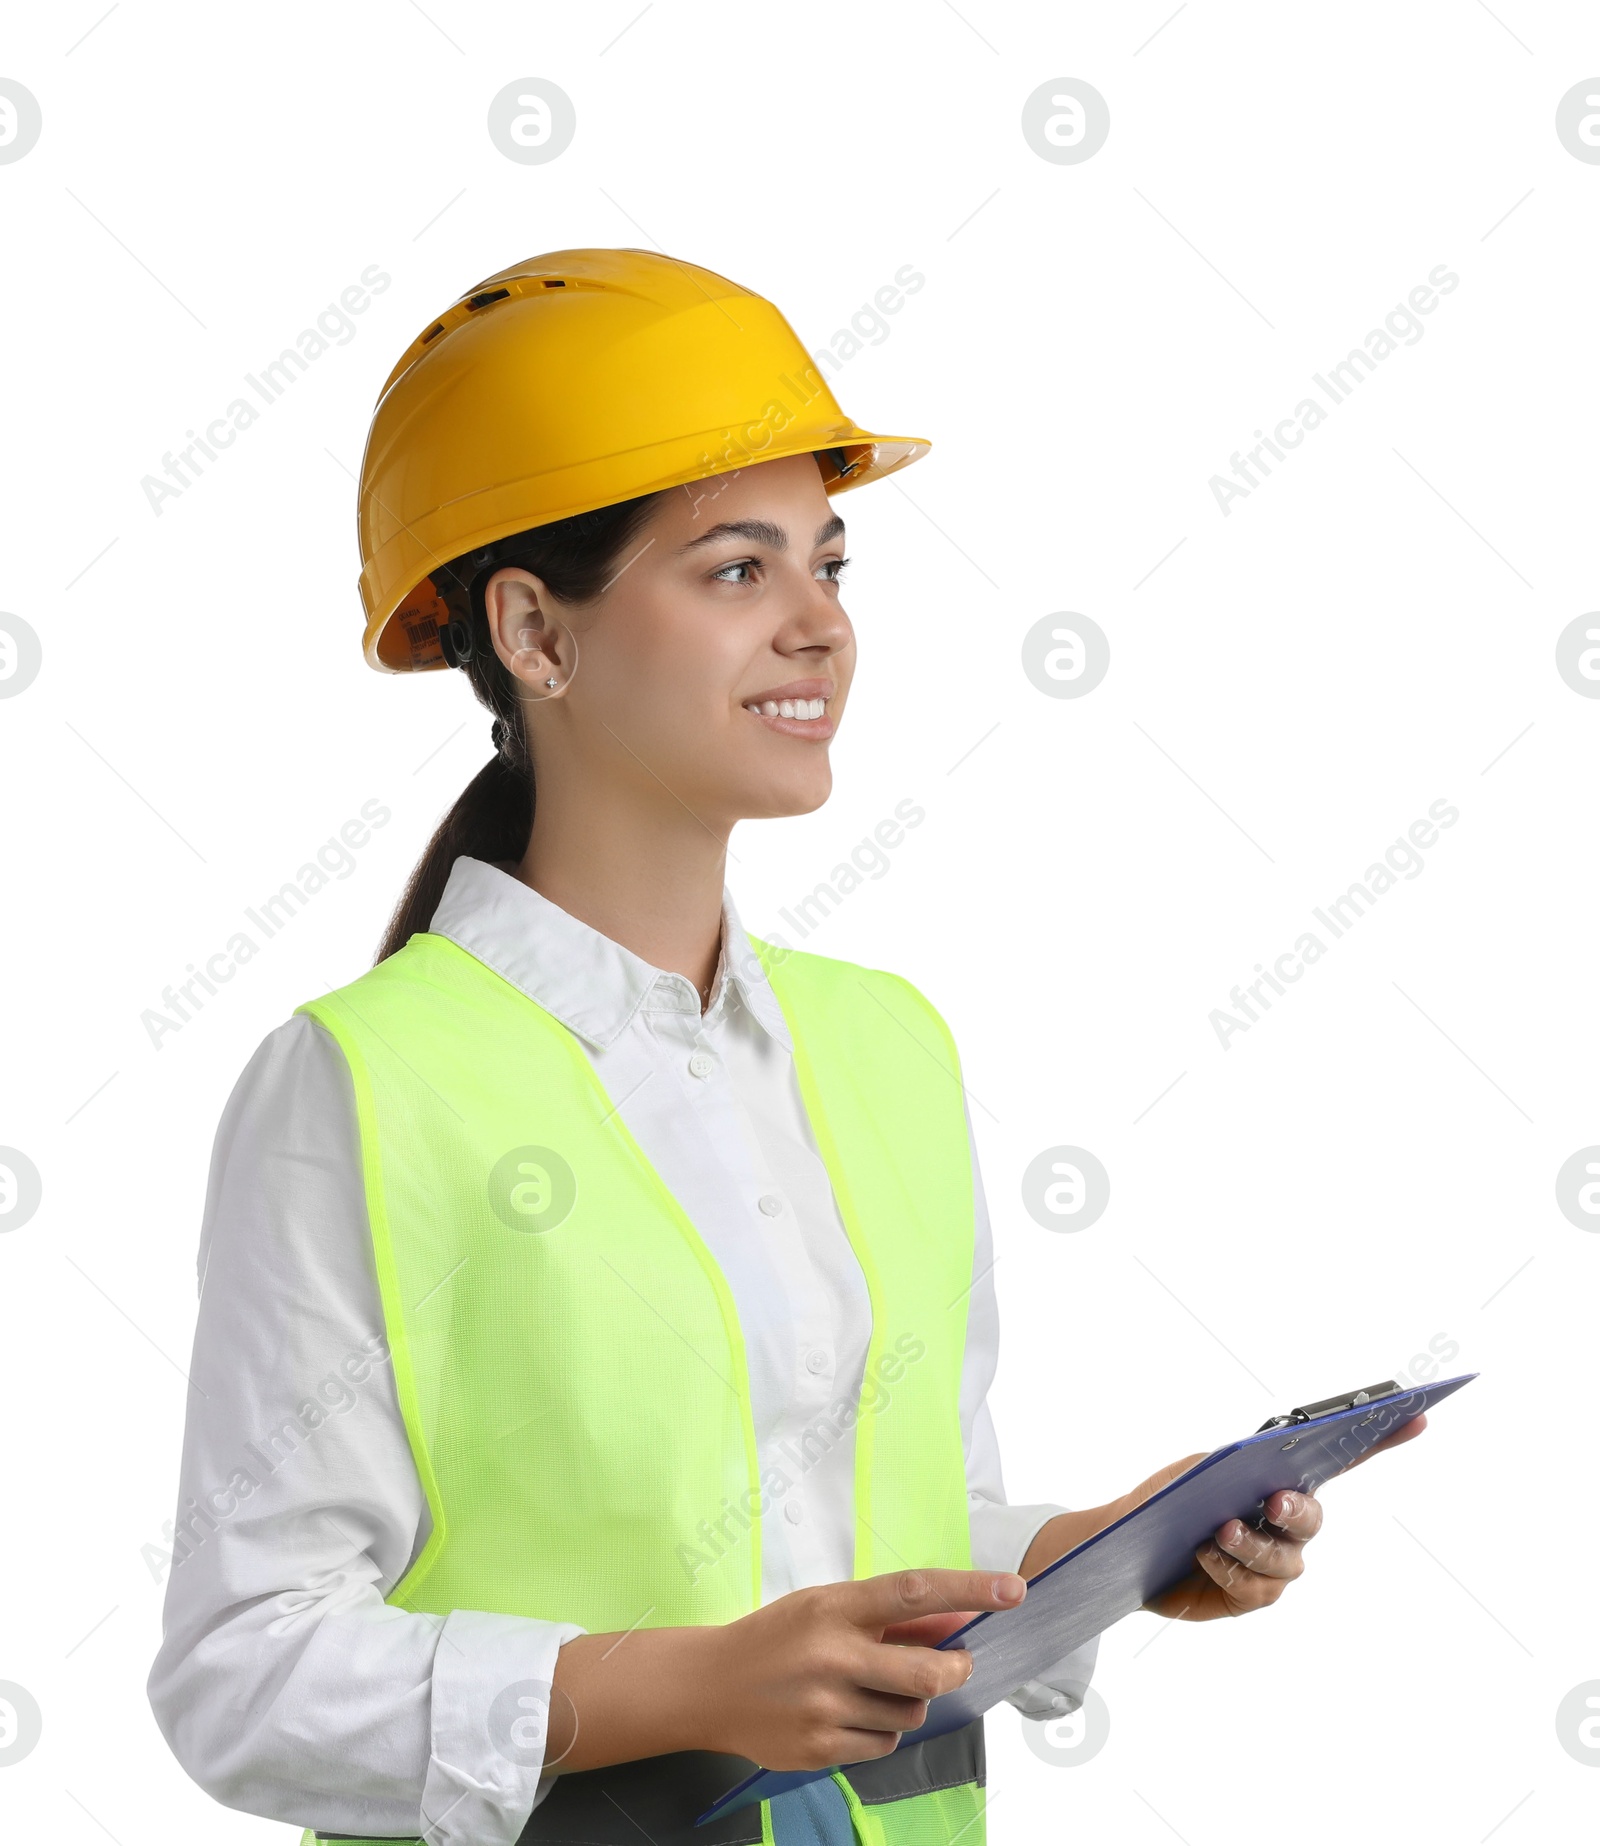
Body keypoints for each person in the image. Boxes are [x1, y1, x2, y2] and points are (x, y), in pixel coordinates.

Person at [148, 249, 1424, 1846]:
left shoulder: (888, 1045)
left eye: (830, 562)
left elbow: (870, 1520)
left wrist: (1094, 1553)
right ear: (536, 630)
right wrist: (673, 1688)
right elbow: (243, 1671)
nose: (821, 625)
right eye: (739, 570)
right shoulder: (360, 1086)